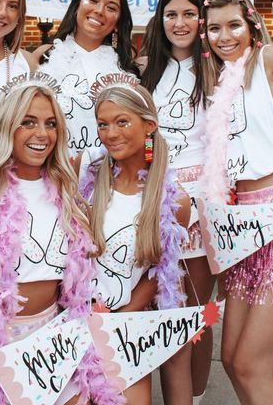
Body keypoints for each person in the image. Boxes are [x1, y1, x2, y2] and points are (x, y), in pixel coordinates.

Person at [0, 75, 117, 405]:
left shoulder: (67, 193)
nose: (42, 134)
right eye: (28, 122)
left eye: (50, 124)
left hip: (53, 337)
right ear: (8, 127)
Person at [200, 0, 273, 404]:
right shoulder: (224, 82)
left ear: (251, 25)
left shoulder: (271, 59)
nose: (224, 35)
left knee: (253, 364)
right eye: (214, 28)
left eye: (233, 25)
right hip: (244, 230)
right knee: (232, 358)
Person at [78, 75, 189, 404]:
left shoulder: (172, 201)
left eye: (122, 122)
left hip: (124, 327)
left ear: (149, 125)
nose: (110, 134)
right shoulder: (88, 179)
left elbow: (161, 274)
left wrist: (118, 317)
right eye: (102, 124)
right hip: (73, 321)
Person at [139, 0, 213, 404]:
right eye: (171, 14)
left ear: (202, 19)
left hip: (201, 204)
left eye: (189, 14)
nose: (180, 22)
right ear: (160, 19)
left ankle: (195, 397)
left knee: (193, 315)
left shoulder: (217, 69)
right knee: (155, 309)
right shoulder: (146, 69)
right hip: (152, 202)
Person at [34, 0, 138, 158]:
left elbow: (146, 133)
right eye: (93, 0)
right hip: (54, 171)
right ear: (76, 7)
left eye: (111, 8)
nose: (99, 11)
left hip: (111, 175)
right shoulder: (43, 56)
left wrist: (148, 163)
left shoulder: (128, 68)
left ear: (117, 23)